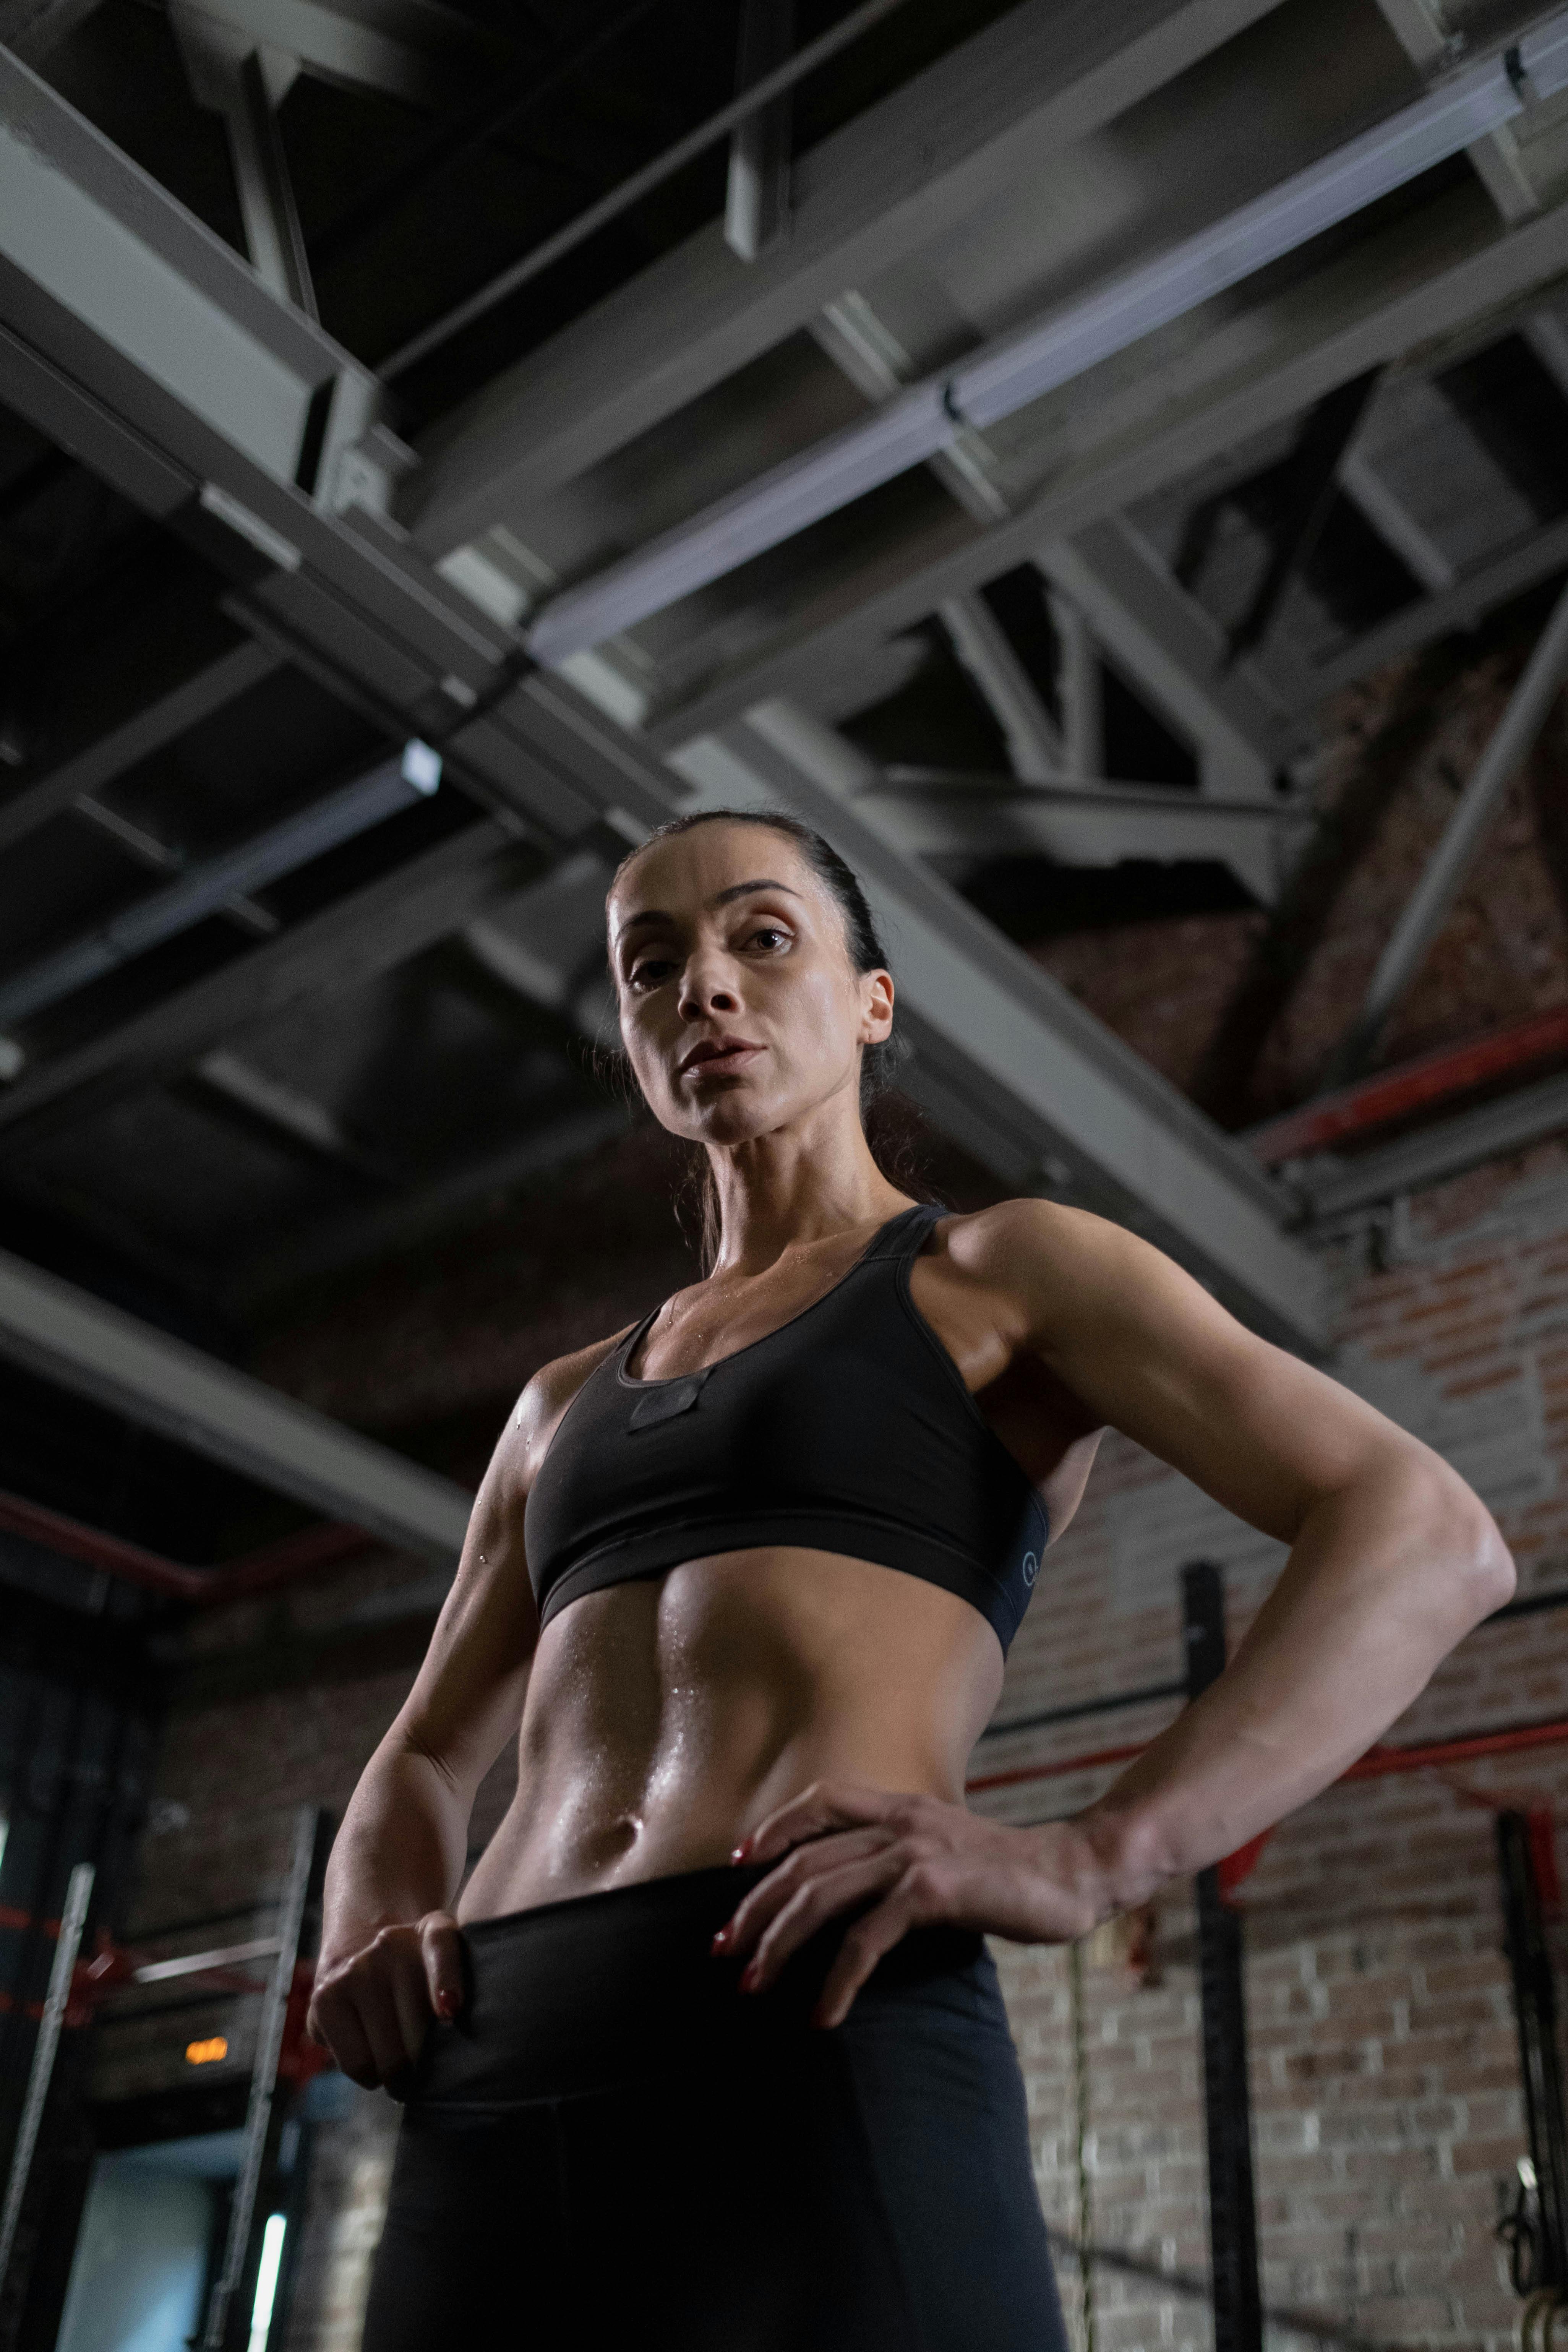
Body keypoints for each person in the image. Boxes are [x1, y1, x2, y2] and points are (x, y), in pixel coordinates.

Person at [310, 808, 1512, 2351]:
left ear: (872, 1001)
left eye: (761, 938)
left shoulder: (1002, 1276)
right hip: (498, 2058)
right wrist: (373, 1934)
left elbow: (1422, 1532)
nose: (708, 991)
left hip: (810, 2004)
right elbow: (420, 1753)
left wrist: (1097, 1857)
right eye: (653, 965)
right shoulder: (556, 1406)